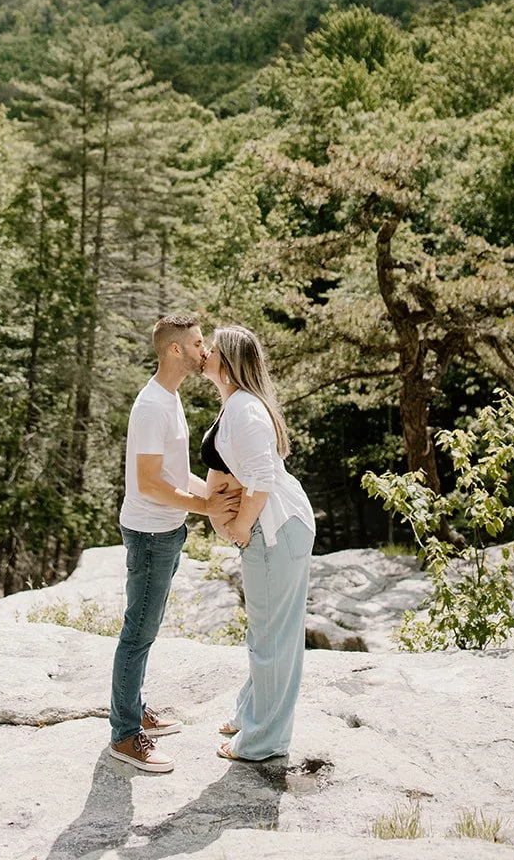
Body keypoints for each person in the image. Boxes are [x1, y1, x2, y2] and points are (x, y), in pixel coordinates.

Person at [108, 312, 237, 773]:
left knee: (145, 628)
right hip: (149, 532)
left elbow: (171, 471)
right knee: (137, 633)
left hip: (167, 529)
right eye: (199, 343)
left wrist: (210, 494)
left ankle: (132, 708)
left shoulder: (170, 398)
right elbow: (147, 484)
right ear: (174, 350)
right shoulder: (151, 407)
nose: (206, 351)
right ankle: (124, 734)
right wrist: (205, 509)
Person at [201, 324, 315, 762]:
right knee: (266, 630)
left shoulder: (245, 409)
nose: (205, 352)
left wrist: (242, 527)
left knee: (273, 637)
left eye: (212, 347)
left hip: (273, 528)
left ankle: (264, 740)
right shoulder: (236, 405)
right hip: (274, 528)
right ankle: (252, 712)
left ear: (228, 361)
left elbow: (263, 479)